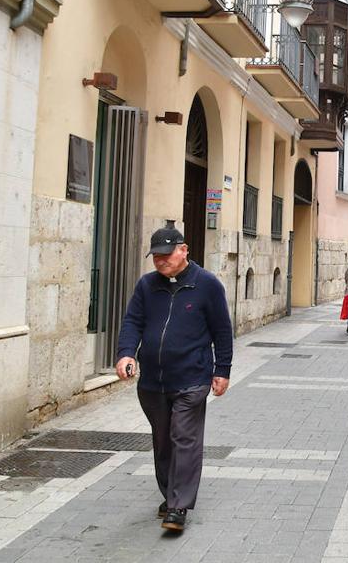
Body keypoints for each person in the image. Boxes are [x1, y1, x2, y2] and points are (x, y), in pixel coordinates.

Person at [116, 225, 232, 533]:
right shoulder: (146, 285)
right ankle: (170, 494)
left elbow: (222, 331)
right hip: (153, 382)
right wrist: (126, 353)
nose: (160, 261)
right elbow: (133, 322)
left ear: (184, 250)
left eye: (166, 255)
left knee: (185, 439)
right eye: (156, 256)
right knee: (163, 440)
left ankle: (179, 506)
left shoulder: (207, 285)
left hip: (192, 378)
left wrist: (222, 370)